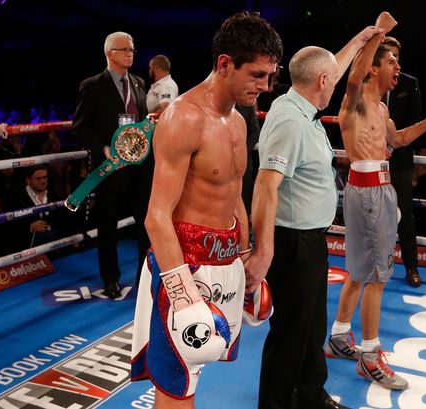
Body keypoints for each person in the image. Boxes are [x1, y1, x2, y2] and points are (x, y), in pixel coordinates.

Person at [130, 11, 282, 409]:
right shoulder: (185, 118)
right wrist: (181, 294)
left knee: (202, 368)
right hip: (183, 263)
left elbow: (233, 194)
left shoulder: (239, 120)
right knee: (177, 384)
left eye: (270, 76)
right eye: (257, 75)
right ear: (224, 63)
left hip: (225, 258)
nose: (264, 87)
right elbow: (156, 215)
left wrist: (245, 256)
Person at [245, 14, 388, 409]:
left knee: (311, 329)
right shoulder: (290, 121)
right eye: (332, 78)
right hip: (292, 244)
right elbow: (265, 184)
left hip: (310, 239)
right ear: (322, 81)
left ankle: (310, 396)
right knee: (291, 333)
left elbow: (332, 66)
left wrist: (365, 35)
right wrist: (264, 250)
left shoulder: (303, 103)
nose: (336, 81)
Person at [324, 19, 426, 391]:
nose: (399, 68)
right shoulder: (356, 101)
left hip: (376, 190)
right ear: (374, 67)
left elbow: (399, 139)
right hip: (369, 193)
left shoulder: (381, 111)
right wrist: (377, 33)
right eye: (392, 61)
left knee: (360, 273)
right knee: (377, 276)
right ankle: (371, 355)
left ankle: (340, 337)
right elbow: (353, 78)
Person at [72, 31, 151, 298]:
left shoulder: (140, 83)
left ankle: (145, 278)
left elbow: (143, 123)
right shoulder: (93, 85)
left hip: (139, 168)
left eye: (132, 49)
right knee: (107, 227)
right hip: (109, 168)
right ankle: (111, 279)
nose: (131, 53)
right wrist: (104, 149)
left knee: (146, 223)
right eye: (125, 49)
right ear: (110, 53)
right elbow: (80, 127)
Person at [382, 36, 423, 287]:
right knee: (373, 214)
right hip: (372, 159)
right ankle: (371, 266)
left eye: (397, 56)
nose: (394, 61)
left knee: (404, 214)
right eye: (389, 55)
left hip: (399, 161)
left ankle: (412, 267)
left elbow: (413, 124)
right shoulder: (367, 84)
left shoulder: (409, 83)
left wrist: (391, 144)